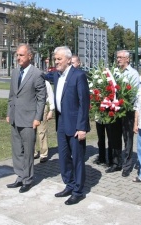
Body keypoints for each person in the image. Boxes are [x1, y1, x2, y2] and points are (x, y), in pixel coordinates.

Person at [6, 43, 46, 193]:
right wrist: (9, 113)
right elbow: (12, 96)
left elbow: (41, 98)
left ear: (30, 56)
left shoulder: (37, 74)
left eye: (21, 55)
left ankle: (28, 179)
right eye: (17, 55)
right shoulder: (16, 72)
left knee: (28, 151)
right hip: (15, 117)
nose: (18, 58)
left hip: (29, 120)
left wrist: (37, 118)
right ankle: (20, 176)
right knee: (17, 150)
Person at [53, 46, 90, 205]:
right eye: (55, 59)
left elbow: (84, 103)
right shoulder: (56, 75)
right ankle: (69, 184)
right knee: (63, 157)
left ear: (68, 60)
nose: (56, 62)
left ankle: (78, 191)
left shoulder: (79, 75)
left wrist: (82, 127)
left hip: (75, 125)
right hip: (61, 121)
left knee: (77, 159)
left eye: (59, 59)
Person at [105, 50, 140, 177]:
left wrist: (123, 103)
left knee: (128, 139)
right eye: (117, 57)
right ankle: (116, 163)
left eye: (120, 57)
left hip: (127, 110)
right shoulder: (114, 72)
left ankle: (127, 165)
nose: (118, 59)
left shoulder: (133, 73)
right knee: (114, 138)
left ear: (127, 59)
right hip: (114, 110)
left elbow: (134, 93)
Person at [34, 79, 55, 163]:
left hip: (42, 107)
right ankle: (33, 152)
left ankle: (43, 154)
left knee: (42, 131)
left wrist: (51, 110)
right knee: (31, 131)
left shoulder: (46, 83)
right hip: (31, 108)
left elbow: (50, 96)